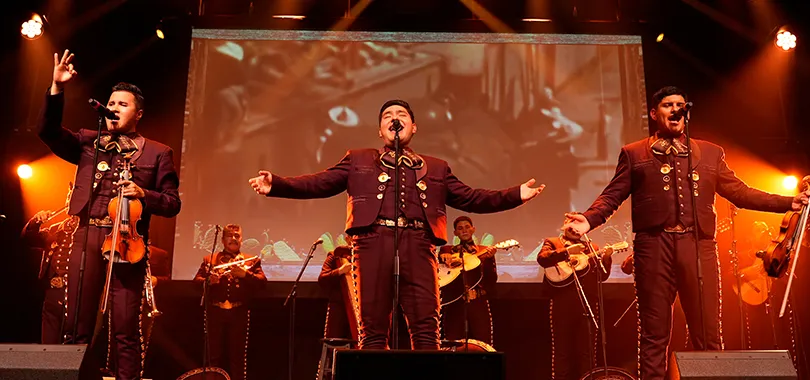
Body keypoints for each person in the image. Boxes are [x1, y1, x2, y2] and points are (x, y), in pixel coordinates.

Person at [249, 99, 545, 349]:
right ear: (380, 130)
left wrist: (516, 194)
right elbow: (320, 183)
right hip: (372, 241)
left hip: (420, 243)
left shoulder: (437, 167)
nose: (395, 119)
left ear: (413, 127)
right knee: (373, 328)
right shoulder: (358, 159)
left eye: (401, 115)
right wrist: (278, 184)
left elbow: (473, 198)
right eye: (388, 116)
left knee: (426, 327)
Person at [563, 86, 810, 379]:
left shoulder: (710, 153)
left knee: (708, 334)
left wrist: (788, 203)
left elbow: (740, 193)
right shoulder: (633, 153)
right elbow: (611, 196)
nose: (676, 109)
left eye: (680, 105)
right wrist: (588, 221)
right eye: (668, 105)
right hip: (653, 248)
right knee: (654, 337)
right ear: (655, 114)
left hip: (698, 246)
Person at [38, 50, 181, 379]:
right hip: (87, 236)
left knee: (125, 328)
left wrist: (145, 194)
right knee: (76, 326)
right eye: (111, 102)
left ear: (138, 113)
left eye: (123, 104)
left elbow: (172, 203)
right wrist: (57, 88)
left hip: (128, 245)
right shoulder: (89, 142)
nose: (114, 108)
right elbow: (47, 131)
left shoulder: (158, 153)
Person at [537, 220, 612, 380]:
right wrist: (567, 251)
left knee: (587, 352)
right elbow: (542, 258)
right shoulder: (552, 242)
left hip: (587, 304)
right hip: (562, 303)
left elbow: (602, 276)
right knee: (562, 350)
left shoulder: (592, 247)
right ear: (564, 224)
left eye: (577, 223)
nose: (573, 227)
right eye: (570, 222)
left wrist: (606, 258)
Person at [194, 224, 266, 380]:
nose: (233, 238)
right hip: (214, 312)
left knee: (237, 356)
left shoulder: (250, 260)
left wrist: (245, 275)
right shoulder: (210, 259)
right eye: (229, 235)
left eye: (237, 236)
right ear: (222, 239)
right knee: (212, 355)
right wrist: (208, 281)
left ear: (241, 239)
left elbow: (262, 283)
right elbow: (196, 282)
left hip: (238, 313)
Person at [21, 194, 79, 344]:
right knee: (49, 341)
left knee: (73, 340)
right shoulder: (55, 228)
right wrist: (35, 222)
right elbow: (28, 238)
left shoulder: (90, 232)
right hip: (53, 292)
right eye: (68, 198)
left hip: (77, 293)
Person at [438, 216, 497, 346]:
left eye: (467, 227)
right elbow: (440, 275)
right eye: (460, 228)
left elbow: (491, 280)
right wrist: (443, 258)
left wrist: (488, 261)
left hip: (477, 302)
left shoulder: (483, 250)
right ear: (455, 233)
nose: (464, 230)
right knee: (452, 342)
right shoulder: (447, 250)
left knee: (483, 342)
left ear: (473, 229)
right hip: (454, 303)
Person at [318, 235, 358, 342]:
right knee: (334, 342)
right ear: (347, 238)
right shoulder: (334, 256)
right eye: (353, 237)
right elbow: (322, 278)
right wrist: (340, 271)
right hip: (338, 308)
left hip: (359, 309)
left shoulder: (363, 257)